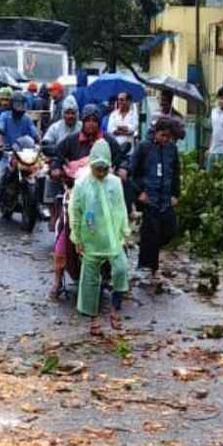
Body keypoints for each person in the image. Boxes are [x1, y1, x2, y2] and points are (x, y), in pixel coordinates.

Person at [69, 139, 130, 333]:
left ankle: (115, 309)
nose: (101, 173)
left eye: (105, 169)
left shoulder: (115, 183)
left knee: (121, 270)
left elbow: (121, 208)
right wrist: (77, 238)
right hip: (91, 238)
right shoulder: (82, 184)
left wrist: (124, 232)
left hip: (112, 237)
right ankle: (93, 319)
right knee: (90, 280)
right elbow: (75, 212)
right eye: (98, 169)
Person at [130, 115, 180, 291]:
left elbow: (176, 173)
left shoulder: (171, 149)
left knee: (169, 230)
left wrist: (175, 194)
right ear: (156, 133)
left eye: (168, 136)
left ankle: (149, 260)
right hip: (149, 198)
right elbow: (132, 172)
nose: (165, 139)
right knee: (152, 232)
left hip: (165, 197)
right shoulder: (144, 147)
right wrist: (139, 192)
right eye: (162, 135)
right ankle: (151, 268)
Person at [0, 90, 39, 225]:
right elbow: (1, 130)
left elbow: (34, 133)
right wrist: (1, 143)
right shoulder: (5, 116)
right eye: (17, 104)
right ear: (12, 104)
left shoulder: (27, 119)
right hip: (8, 155)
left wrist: (39, 141)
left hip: (23, 155)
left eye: (22, 104)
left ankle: (38, 206)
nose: (20, 107)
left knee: (39, 174)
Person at [42, 94, 81, 236]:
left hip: (79, 166)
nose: (70, 116)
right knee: (50, 177)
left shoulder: (82, 127)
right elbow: (46, 144)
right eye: (67, 113)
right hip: (59, 162)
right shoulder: (55, 127)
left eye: (73, 113)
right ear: (63, 113)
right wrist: (56, 151)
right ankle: (53, 213)